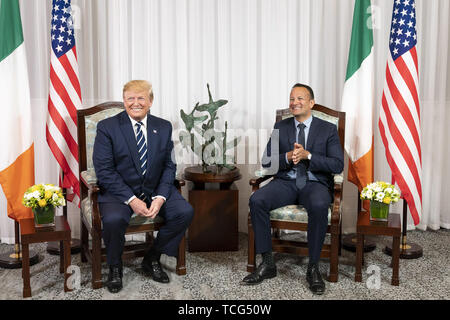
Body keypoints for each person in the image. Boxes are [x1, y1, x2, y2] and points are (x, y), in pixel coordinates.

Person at [242, 83, 344, 295]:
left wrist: (309, 156)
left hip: (314, 183)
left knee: (318, 204)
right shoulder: (282, 127)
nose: (294, 103)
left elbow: (337, 165)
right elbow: (267, 162)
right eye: (291, 99)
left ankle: (313, 267)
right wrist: (287, 157)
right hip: (287, 182)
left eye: (300, 99)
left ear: (311, 103)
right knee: (257, 200)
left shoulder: (328, 129)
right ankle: (268, 263)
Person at [93, 80, 194, 293]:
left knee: (184, 212)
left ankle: (152, 257)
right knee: (113, 219)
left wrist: (160, 197)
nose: (135, 103)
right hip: (119, 192)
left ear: (150, 101)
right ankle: (114, 267)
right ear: (124, 100)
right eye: (130, 98)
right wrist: (131, 199)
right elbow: (104, 171)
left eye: (141, 98)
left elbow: (169, 165)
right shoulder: (107, 127)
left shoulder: (163, 126)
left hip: (154, 188)